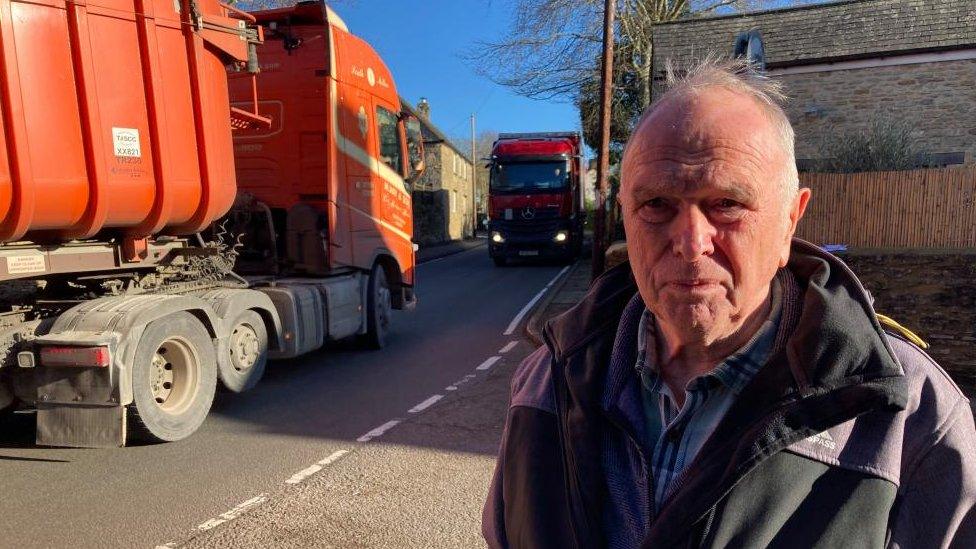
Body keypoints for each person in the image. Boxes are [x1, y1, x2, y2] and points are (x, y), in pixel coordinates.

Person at [482, 57, 976, 548]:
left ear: (789, 220)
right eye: (657, 205)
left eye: (727, 204)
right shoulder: (545, 381)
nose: (691, 242)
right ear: (625, 219)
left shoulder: (910, 416)